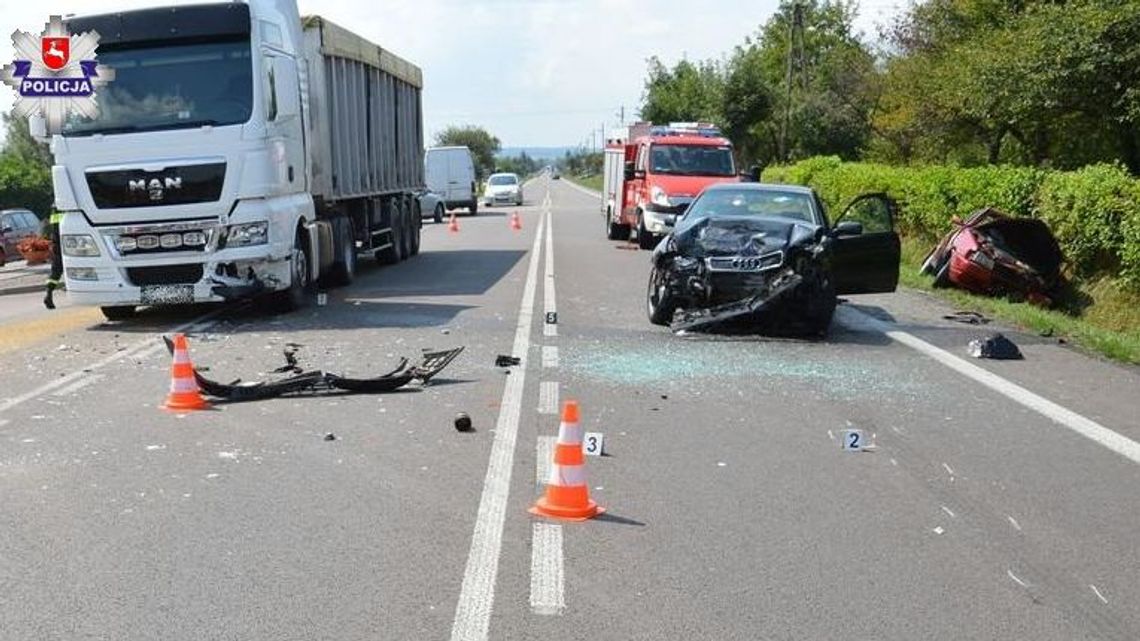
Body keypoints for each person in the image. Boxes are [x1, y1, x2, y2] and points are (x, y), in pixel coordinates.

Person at [43, 210, 63, 310]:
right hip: (68, 239)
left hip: (57, 242)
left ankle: (49, 292)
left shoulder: (55, 207)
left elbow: (53, 226)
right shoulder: (66, 203)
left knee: (56, 270)